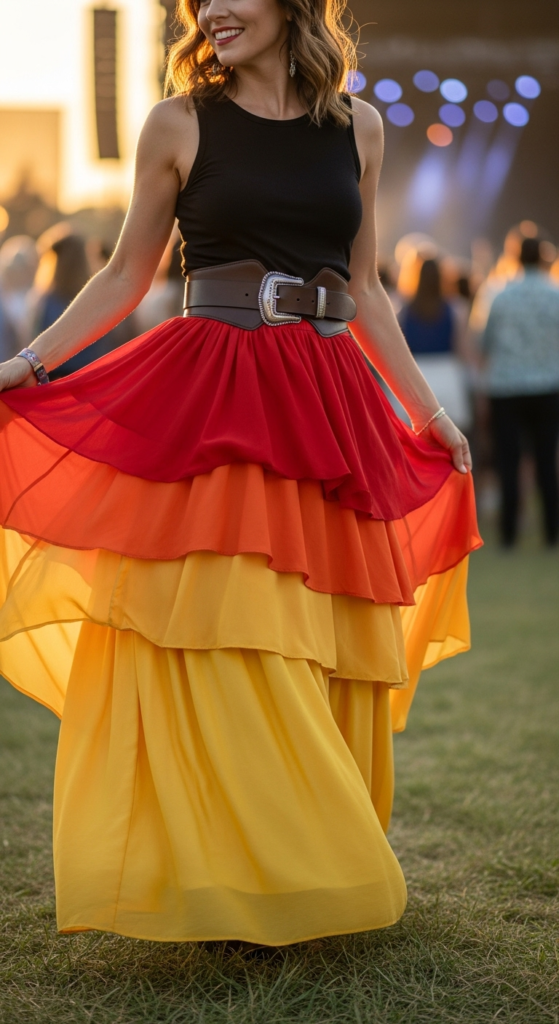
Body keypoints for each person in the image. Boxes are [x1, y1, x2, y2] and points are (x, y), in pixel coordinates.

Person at [0, 0, 480, 948]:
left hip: (329, 397)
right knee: (219, 630)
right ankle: (228, 872)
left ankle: (298, 866)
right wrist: (33, 364)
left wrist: (429, 411)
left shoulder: (359, 127)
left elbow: (368, 288)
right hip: (214, 394)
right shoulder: (179, 121)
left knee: (317, 631)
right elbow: (127, 275)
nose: (210, 10)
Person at [481, 237, 559, 547]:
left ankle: (508, 534)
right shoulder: (555, 294)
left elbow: (484, 342)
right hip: (547, 386)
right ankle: (552, 532)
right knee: (546, 461)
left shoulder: (499, 295)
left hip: (507, 388)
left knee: (508, 462)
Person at [399, 259, 471, 432]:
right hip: (448, 376)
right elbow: (463, 349)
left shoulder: (404, 310)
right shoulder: (455, 308)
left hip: (417, 378)